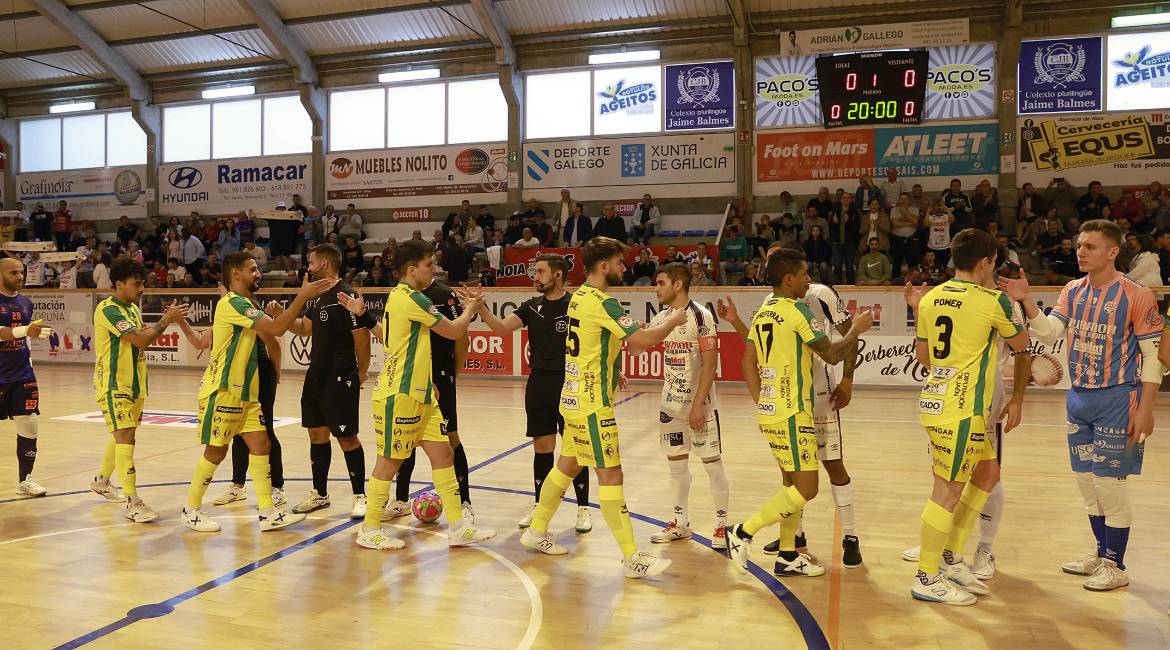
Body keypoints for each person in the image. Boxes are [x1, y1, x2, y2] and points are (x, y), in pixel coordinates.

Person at [1002, 219, 1164, 592]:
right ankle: (1101, 553)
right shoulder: (1073, 290)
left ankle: (1116, 564)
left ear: (1112, 251)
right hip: (1078, 398)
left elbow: (1153, 356)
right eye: (1079, 245)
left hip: (1118, 399)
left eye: (1090, 246)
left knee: (1110, 485)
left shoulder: (1137, 295)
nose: (1081, 252)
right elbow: (1049, 332)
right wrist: (1027, 299)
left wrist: (1146, 407)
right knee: (1087, 483)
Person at [519, 236, 687, 578]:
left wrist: (614, 365)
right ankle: (632, 558)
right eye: (620, 263)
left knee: (566, 465)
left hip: (573, 395)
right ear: (605, 266)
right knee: (611, 474)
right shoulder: (604, 303)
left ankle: (536, 531)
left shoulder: (580, 297)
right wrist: (672, 322)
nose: (625, 268)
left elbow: (608, 342)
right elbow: (642, 341)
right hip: (592, 404)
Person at [722, 248, 872, 578]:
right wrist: (856, 329)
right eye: (804, 274)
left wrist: (760, 399)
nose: (808, 279)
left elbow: (748, 359)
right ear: (788, 279)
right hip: (793, 412)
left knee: (790, 483)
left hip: (771, 408)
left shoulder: (764, 312)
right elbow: (831, 354)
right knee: (807, 488)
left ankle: (788, 554)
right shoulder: (798, 311)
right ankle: (742, 532)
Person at [338, 239, 494, 550]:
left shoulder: (399, 297)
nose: (434, 269)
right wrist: (471, 309)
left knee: (443, 455)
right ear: (412, 270)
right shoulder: (414, 299)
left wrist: (365, 316)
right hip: (401, 394)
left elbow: (390, 337)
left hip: (422, 393)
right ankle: (369, 529)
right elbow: (453, 331)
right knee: (390, 461)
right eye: (428, 264)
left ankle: (458, 528)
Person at [907, 229, 1030, 605]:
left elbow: (924, 358)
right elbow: (1023, 347)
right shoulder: (994, 302)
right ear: (987, 262)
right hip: (962, 409)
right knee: (947, 491)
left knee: (988, 474)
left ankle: (949, 557)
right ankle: (926, 576)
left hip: (937, 401)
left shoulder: (931, 298)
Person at [179, 253, 334, 533]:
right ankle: (191, 510)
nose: (258, 273)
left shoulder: (246, 303)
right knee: (216, 451)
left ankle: (267, 513)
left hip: (245, 395)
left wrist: (275, 369)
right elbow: (276, 328)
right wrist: (302, 296)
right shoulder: (233, 303)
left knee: (261, 445)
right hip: (223, 391)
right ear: (235, 274)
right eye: (252, 269)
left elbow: (272, 337)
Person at [476, 254, 592, 532]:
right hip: (539, 383)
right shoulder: (532, 306)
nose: (535, 277)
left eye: (540, 272)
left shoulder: (577, 304)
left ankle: (583, 508)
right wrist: (481, 310)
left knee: (576, 449)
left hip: (570, 383)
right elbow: (502, 328)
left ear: (558, 275)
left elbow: (597, 340)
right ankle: (540, 505)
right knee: (543, 448)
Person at [261, 244, 370, 519]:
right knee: (316, 435)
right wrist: (279, 316)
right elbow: (304, 328)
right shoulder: (316, 296)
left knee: (347, 437)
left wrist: (361, 371)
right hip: (316, 375)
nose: (307, 268)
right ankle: (320, 494)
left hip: (341, 375)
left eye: (310, 262)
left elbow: (362, 337)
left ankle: (360, 496)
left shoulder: (346, 293)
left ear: (324, 264)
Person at [89, 259, 189, 521]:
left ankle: (102, 480)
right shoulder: (108, 309)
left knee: (126, 434)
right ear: (119, 284)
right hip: (114, 384)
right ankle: (133, 502)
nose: (142, 288)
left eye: (143, 283)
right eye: (136, 284)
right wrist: (166, 320)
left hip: (135, 383)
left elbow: (142, 340)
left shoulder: (132, 308)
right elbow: (142, 339)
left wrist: (162, 323)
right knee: (126, 438)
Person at [177, 289, 287, 511]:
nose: (220, 290)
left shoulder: (249, 309)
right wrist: (180, 321)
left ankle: (277, 488)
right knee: (240, 434)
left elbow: (273, 342)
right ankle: (238, 485)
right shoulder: (225, 312)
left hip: (259, 372)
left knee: (264, 433)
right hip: (234, 380)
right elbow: (200, 342)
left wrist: (275, 372)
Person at [646, 263, 730, 550]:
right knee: (676, 466)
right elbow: (636, 346)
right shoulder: (662, 318)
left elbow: (710, 363)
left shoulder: (701, 315)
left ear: (677, 285)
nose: (656, 288)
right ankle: (680, 523)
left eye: (660, 283)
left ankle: (721, 526)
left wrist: (697, 406)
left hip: (700, 407)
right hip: (670, 406)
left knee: (713, 466)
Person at [385, 274, 477, 526]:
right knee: (407, 435)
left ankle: (463, 502)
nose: (432, 268)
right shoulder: (402, 296)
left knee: (450, 437)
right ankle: (401, 499)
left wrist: (452, 373)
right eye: (428, 263)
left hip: (440, 373)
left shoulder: (443, 294)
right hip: (412, 374)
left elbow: (460, 334)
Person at [0, 259, 51, 496]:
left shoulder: (26, 303)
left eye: (22, 272)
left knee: (30, 424)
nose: (20, 276)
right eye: (14, 272)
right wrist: (25, 330)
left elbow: (24, 338)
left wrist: (33, 336)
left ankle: (25, 480)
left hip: (22, 375)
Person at [889, 192, 919, 279]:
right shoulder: (893, 210)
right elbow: (896, 224)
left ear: (909, 200)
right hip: (897, 239)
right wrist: (910, 223)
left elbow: (915, 221)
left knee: (912, 263)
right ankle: (895, 282)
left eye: (905, 199)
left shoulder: (915, 209)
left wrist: (904, 210)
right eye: (901, 199)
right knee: (897, 262)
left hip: (911, 239)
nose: (903, 201)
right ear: (898, 200)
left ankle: (913, 281)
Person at [925, 200, 955, 268]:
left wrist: (946, 209)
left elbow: (953, 220)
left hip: (945, 246)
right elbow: (926, 224)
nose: (938, 208)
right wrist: (928, 211)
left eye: (940, 206)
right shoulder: (931, 217)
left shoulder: (946, 216)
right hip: (933, 246)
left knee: (946, 266)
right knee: (934, 266)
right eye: (936, 207)